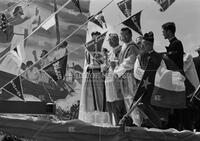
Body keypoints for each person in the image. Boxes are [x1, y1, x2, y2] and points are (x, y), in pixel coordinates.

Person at [79, 31, 108, 124]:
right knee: (89, 98)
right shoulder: (87, 51)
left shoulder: (103, 50)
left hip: (99, 75)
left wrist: (96, 67)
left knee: (99, 97)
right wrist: (88, 67)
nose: (95, 41)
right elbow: (85, 65)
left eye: (97, 39)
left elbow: (106, 65)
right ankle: (90, 121)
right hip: (89, 75)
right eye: (93, 39)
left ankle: (101, 121)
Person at [113, 27, 139, 125]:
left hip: (131, 78)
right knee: (128, 102)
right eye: (121, 35)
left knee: (132, 102)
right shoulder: (124, 46)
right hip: (124, 79)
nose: (121, 37)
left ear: (129, 35)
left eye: (123, 35)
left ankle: (137, 124)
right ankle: (132, 123)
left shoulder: (132, 46)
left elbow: (129, 62)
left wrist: (116, 71)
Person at [103, 33, 126, 125]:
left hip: (117, 80)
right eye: (109, 41)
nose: (110, 42)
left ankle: (118, 124)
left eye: (111, 40)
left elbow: (122, 65)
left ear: (116, 40)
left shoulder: (121, 50)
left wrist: (114, 66)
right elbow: (107, 65)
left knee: (117, 103)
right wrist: (105, 68)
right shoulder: (110, 52)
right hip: (108, 79)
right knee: (110, 102)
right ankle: (112, 123)